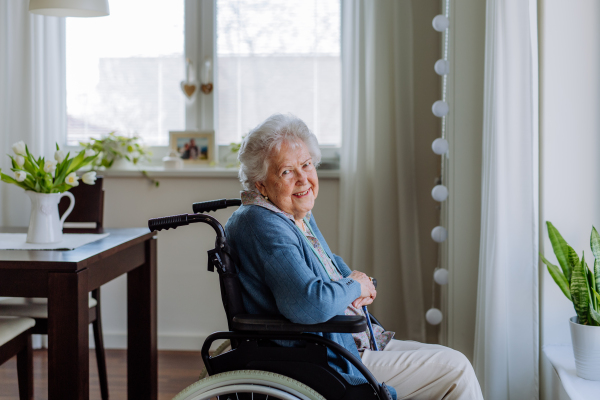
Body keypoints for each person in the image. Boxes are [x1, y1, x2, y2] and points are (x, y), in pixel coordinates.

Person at [224, 113, 483, 400]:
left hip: (349, 342)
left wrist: (359, 281)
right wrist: (354, 287)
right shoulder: (262, 223)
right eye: (287, 171)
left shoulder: (291, 214)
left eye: (307, 165)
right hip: (326, 358)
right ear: (260, 184)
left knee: (453, 362)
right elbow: (307, 304)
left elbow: (329, 263)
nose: (303, 179)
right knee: (456, 370)